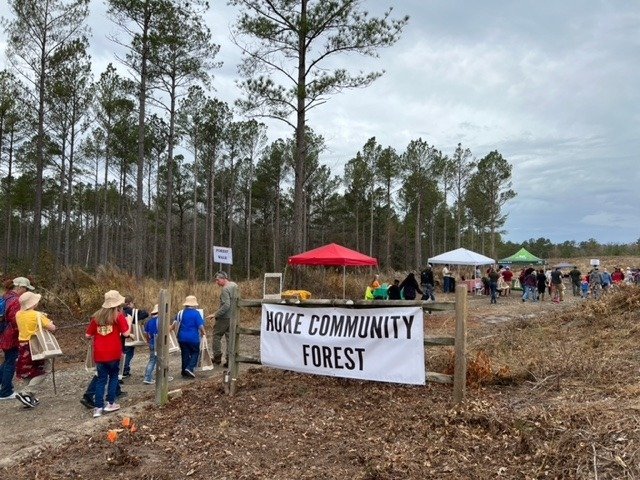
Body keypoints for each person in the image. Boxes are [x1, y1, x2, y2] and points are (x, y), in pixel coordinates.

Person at [86, 290, 130, 418]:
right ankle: (111, 403)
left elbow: (88, 335)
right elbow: (126, 334)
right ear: (117, 304)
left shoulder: (97, 317)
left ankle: (98, 408)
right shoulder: (118, 316)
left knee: (101, 380)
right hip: (114, 353)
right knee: (114, 377)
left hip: (99, 353)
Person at [14, 291, 57, 407]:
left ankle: (29, 397)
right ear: (33, 303)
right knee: (44, 369)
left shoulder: (18, 314)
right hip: (35, 345)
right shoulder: (37, 315)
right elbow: (52, 327)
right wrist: (48, 321)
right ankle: (27, 392)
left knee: (28, 371)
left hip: (23, 345)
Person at [1, 277, 35, 401]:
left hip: (4, 334)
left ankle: (3, 386)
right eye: (26, 289)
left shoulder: (5, 296)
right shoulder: (15, 301)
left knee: (7, 361)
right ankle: (5, 391)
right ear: (19, 287)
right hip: (11, 336)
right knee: (11, 362)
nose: (26, 292)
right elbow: (16, 320)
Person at [208, 272, 239, 367]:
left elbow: (226, 305)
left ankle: (217, 357)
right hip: (233, 316)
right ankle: (230, 360)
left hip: (224, 317)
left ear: (223, 279)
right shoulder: (234, 285)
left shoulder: (225, 289)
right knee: (230, 338)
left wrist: (215, 314)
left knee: (216, 335)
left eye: (218, 280)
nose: (216, 282)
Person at [173, 295, 205, 377]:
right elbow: (200, 326)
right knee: (195, 352)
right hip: (193, 338)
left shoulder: (180, 313)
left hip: (182, 337)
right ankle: (190, 368)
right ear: (194, 304)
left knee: (185, 354)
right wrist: (204, 333)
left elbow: (174, 325)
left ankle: (184, 372)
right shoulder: (196, 313)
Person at [122, 295, 149, 378]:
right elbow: (145, 314)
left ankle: (121, 370)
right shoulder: (133, 311)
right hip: (131, 335)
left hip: (121, 335)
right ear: (129, 303)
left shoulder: (120, 311)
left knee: (123, 353)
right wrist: (136, 310)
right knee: (129, 353)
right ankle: (124, 370)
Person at [143, 304, 159, 384]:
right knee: (154, 360)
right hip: (158, 343)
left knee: (152, 359)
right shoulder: (160, 320)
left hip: (152, 342)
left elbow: (145, 333)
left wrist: (148, 341)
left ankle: (150, 376)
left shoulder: (149, 321)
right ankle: (148, 377)